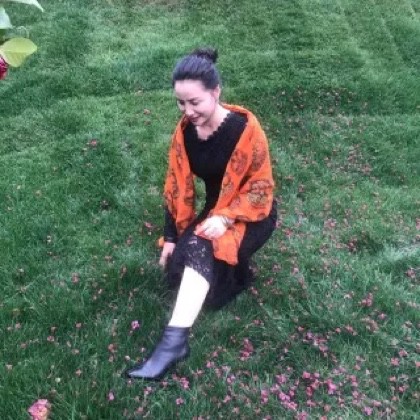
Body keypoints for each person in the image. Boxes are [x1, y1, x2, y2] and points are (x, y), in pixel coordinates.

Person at [126, 47, 277, 380]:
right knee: (177, 268)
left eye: (195, 102)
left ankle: (172, 345)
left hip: (252, 213)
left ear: (216, 92)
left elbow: (262, 188)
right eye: (181, 103)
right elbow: (175, 186)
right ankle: (237, 274)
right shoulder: (185, 133)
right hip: (215, 209)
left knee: (198, 249)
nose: (188, 111)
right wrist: (170, 237)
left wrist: (225, 218)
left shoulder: (245, 129)